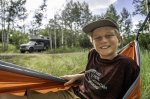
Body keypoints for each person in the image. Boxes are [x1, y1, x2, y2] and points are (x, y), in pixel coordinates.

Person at [0, 17, 140, 99]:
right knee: (14, 93)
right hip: (73, 92)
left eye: (109, 35)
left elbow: (131, 94)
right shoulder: (93, 53)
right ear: (92, 42)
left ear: (120, 40)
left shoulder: (128, 65)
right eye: (97, 38)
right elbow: (93, 73)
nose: (103, 40)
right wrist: (78, 76)